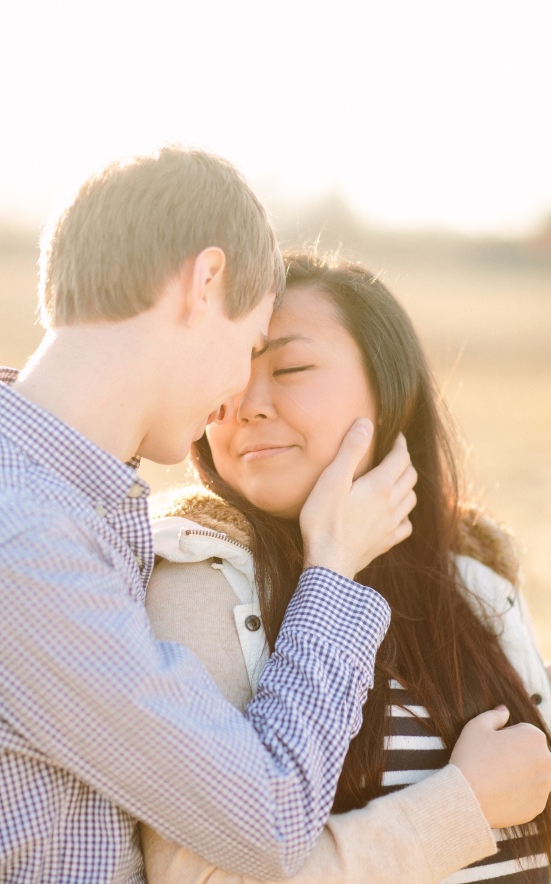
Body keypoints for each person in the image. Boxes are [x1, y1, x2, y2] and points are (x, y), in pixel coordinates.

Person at [0, 147, 428, 882]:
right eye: (250, 346)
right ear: (204, 282)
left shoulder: (50, 510)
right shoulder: (19, 544)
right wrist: (333, 566)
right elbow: (268, 821)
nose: (240, 392)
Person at [142, 250, 551, 882]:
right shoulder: (196, 577)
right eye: (228, 374)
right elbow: (201, 876)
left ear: (390, 389)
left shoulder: (479, 576)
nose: (248, 402)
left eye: (292, 366)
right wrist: (462, 807)